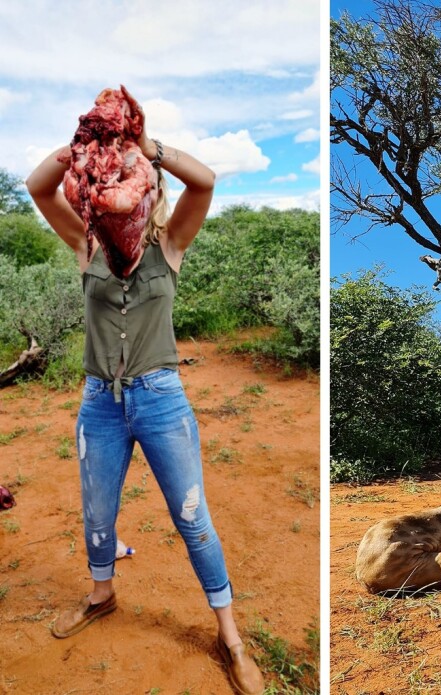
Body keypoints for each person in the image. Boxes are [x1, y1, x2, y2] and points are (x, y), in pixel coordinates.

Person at [26, 90, 265, 695]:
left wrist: (144, 146)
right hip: (99, 403)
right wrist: (86, 147)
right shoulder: (87, 247)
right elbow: (37, 186)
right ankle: (102, 595)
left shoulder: (169, 248)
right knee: (98, 512)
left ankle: (229, 635)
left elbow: (205, 182)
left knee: (194, 520)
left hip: (161, 399)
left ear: (150, 190)